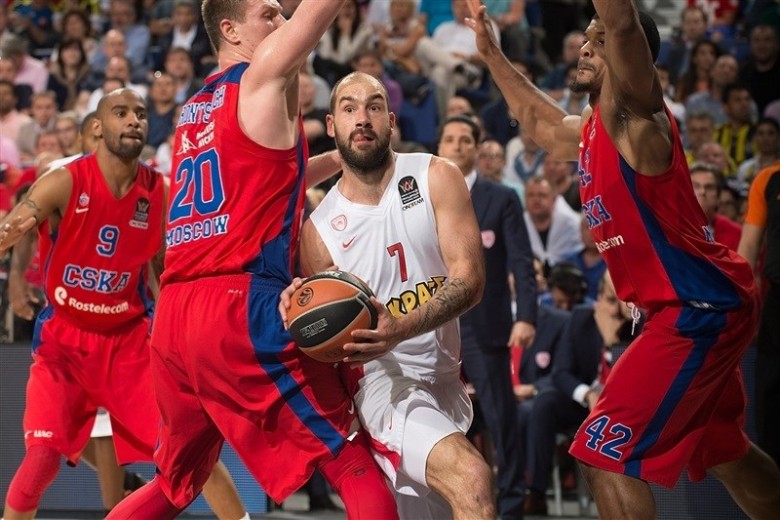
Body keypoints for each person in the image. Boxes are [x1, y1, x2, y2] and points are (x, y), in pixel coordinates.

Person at [466, 0, 780, 517]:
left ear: (630, 56)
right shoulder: (588, 131)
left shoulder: (638, 117)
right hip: (692, 306)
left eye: (599, 38)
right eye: (583, 37)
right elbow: (536, 119)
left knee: (602, 454)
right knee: (723, 449)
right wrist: (491, 52)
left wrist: (614, 23)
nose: (586, 44)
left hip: (695, 308)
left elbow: (622, 21)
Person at [105, 2, 398, 518]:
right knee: (347, 455)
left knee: (175, 486)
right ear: (230, 29)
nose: (282, 21)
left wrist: (340, 159)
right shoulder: (259, 76)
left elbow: (263, 180)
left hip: (174, 317)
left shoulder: (193, 111)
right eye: (269, 13)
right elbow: (319, 15)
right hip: (238, 306)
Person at [0, 88, 246, 520]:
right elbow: (18, 225)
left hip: (129, 341)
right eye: (121, 112)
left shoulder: (161, 191)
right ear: (97, 127)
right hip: (64, 342)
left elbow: (161, 268)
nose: (134, 120)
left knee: (187, 453)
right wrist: (17, 281)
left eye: (140, 113)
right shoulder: (64, 179)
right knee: (41, 460)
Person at [283, 71, 494, 520]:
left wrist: (402, 326)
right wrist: (297, 308)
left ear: (391, 119)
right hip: (382, 384)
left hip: (446, 383)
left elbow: (471, 281)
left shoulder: (437, 175)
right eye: (349, 108)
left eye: (374, 106)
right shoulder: (318, 232)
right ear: (332, 125)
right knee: (472, 477)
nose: (363, 118)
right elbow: (319, 326)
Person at [437, 114, 535, 519]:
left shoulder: (501, 197)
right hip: (436, 328)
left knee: (500, 421)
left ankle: (511, 507)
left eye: (465, 140)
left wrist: (525, 315)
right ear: (439, 148)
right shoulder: (423, 195)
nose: (457, 146)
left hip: (487, 327)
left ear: (478, 149)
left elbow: (522, 261)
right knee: (438, 421)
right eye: (450, 140)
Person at [738, 163, 780, 468]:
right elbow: (748, 249)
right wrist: (742, 310)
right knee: (772, 392)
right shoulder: (768, 179)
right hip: (777, 301)